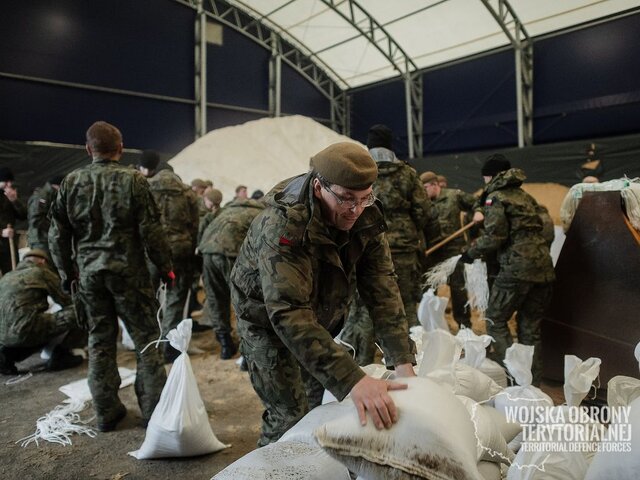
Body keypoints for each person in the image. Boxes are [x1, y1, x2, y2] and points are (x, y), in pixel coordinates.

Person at [230, 142, 416, 446]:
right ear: (319, 187)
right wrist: (353, 380)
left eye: (364, 198)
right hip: (266, 322)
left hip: (318, 318)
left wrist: (401, 360)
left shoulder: (366, 214)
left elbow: (381, 285)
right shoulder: (285, 224)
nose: (355, 209)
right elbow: (287, 310)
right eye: (345, 199)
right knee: (289, 417)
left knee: (315, 411)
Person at [49, 121, 173, 432]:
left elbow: (57, 236)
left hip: (89, 277)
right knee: (146, 342)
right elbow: (152, 232)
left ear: (88, 149)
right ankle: (153, 411)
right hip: (129, 276)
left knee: (100, 342)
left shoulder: (71, 182)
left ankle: (106, 412)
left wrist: (67, 274)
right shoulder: (134, 180)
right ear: (120, 148)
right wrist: (165, 268)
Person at [460, 154, 555, 385]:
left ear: (491, 176)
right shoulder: (526, 197)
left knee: (495, 319)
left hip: (516, 269)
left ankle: (514, 379)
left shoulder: (496, 198)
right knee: (529, 329)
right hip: (543, 269)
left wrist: (471, 253)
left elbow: (495, 235)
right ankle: (532, 386)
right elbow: (544, 229)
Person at [138, 150, 199, 363]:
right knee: (176, 296)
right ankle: (168, 345)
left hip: (152, 251)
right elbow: (195, 225)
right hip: (180, 251)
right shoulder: (187, 192)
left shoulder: (145, 187)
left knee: (148, 295)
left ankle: (147, 344)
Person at [199, 197, 265, 359]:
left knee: (215, 298)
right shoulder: (259, 213)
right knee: (243, 300)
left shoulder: (225, 211)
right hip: (232, 253)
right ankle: (246, 352)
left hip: (207, 251)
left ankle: (225, 345)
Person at [0, 249, 85, 375]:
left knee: (30, 326)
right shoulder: (41, 272)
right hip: (27, 329)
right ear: (43, 261)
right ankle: (61, 355)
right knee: (81, 310)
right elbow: (67, 300)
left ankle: (6, 356)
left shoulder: (6, 277)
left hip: (3, 336)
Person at [420, 171, 478, 328]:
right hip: (433, 250)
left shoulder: (454, 196)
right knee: (428, 288)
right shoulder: (423, 202)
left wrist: (477, 214)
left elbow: (477, 203)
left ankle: (464, 325)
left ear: (434, 185)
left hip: (453, 250)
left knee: (458, 289)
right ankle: (428, 324)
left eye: (425, 187)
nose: (423, 192)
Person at [27, 175, 65, 254]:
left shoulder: (51, 195)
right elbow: (36, 220)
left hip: (47, 239)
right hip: (41, 240)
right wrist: (55, 227)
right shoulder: (42, 196)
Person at [0, 166, 27, 276]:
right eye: (5, 182)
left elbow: (23, 215)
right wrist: (1, 232)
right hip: (3, 237)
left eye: (10, 182)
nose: (9, 185)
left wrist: (15, 201)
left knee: (11, 275)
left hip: (8, 244)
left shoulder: (10, 195)